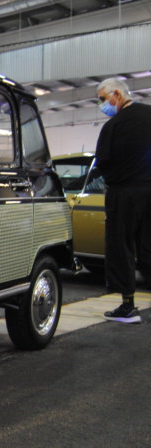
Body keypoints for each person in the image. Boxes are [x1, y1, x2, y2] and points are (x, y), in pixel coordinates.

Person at [94, 78, 151, 323]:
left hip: (124, 193)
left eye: (102, 99)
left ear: (116, 94)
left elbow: (102, 162)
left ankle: (128, 306)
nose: (102, 105)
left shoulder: (113, 125)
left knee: (122, 245)